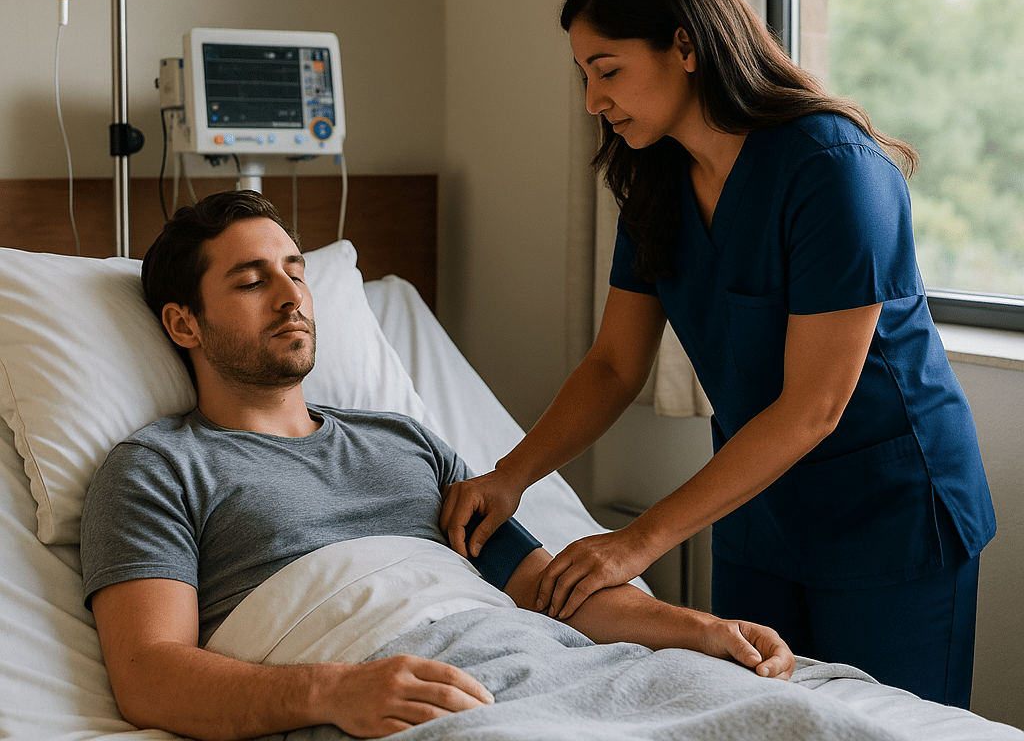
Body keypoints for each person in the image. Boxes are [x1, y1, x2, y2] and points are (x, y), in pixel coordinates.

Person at [441, 0, 996, 709]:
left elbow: (814, 407)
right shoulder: (655, 179)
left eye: (608, 71)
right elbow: (612, 365)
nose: (593, 101)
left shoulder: (835, 174)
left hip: (889, 515)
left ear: (686, 46)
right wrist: (512, 477)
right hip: (759, 516)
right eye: (584, 75)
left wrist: (634, 543)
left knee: (888, 728)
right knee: (757, 716)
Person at [79, 190, 795, 741]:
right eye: (251, 281)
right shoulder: (157, 469)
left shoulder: (404, 440)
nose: (293, 295)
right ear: (183, 323)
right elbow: (148, 675)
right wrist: (333, 692)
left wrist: (697, 629)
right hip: (409, 697)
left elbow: (544, 588)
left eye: (295, 272)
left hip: (551, 658)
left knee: (796, 718)